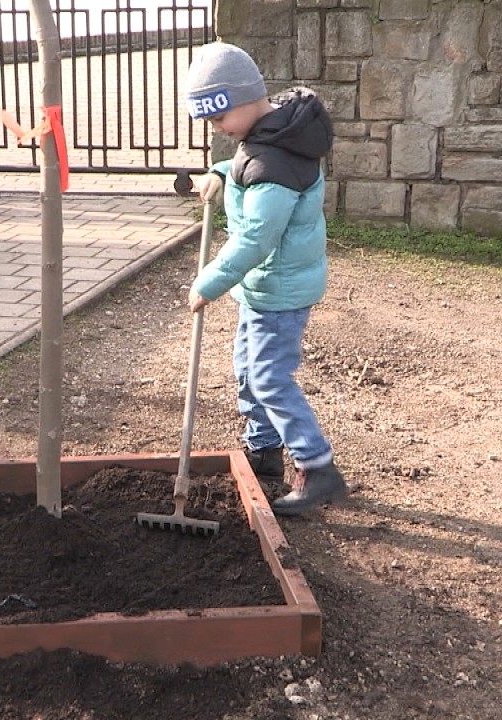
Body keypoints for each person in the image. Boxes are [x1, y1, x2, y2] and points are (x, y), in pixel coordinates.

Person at [183, 42, 347, 516]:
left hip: (278, 289)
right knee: (248, 367)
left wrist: (209, 281)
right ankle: (263, 451)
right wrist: (220, 173)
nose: (217, 129)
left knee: (268, 377)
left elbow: (256, 237)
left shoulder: (275, 163)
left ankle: (318, 468)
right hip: (266, 285)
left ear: (241, 98)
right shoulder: (275, 134)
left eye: (218, 119)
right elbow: (247, 167)